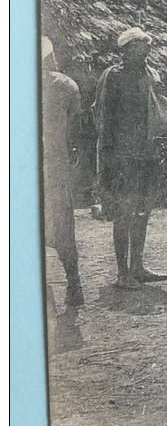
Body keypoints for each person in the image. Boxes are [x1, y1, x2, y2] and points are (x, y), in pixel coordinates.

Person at [94, 27, 167, 290]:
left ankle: (138, 266)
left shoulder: (150, 75)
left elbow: (157, 109)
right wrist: (107, 159)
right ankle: (122, 273)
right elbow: (105, 119)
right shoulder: (114, 76)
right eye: (137, 46)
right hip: (122, 157)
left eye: (145, 46)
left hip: (146, 154)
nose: (143, 51)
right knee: (124, 213)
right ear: (125, 50)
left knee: (143, 211)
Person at [41, 36, 84, 307]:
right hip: (56, 166)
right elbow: (76, 130)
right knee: (63, 226)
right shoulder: (67, 86)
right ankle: (74, 284)